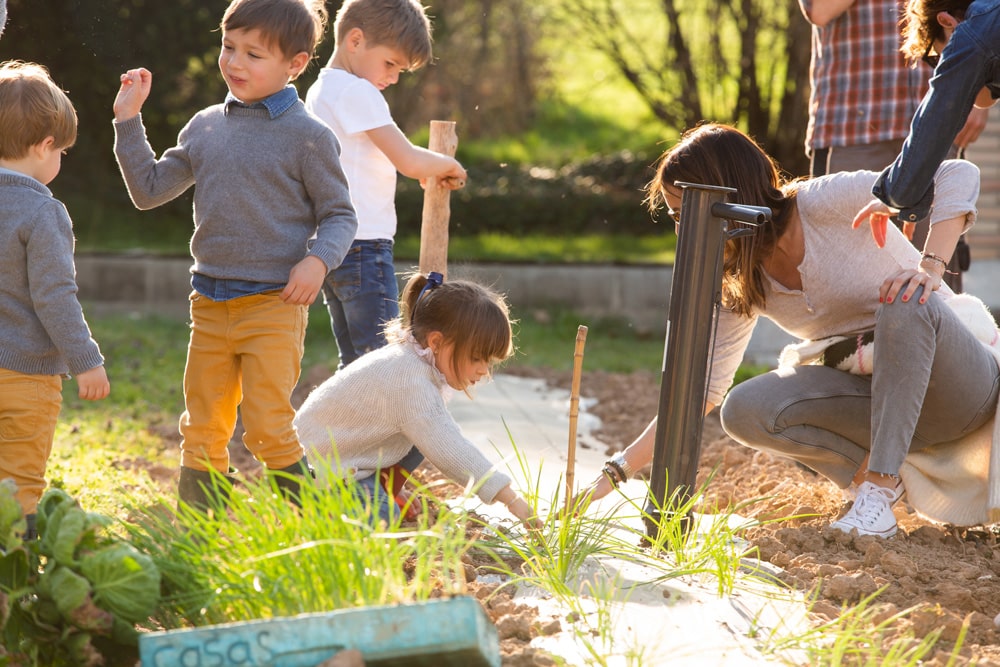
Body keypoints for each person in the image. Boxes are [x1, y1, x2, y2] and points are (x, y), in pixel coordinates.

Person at [577, 123, 1000, 538]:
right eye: (673, 214)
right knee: (744, 409)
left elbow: (955, 173)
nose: (679, 228)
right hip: (884, 405)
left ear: (728, 194)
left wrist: (928, 268)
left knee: (903, 301)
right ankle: (868, 486)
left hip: (961, 390)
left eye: (683, 211)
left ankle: (879, 487)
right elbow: (700, 391)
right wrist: (616, 472)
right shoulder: (740, 278)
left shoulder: (826, 201)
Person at [112, 0, 358, 509]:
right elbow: (149, 190)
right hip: (209, 302)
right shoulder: (205, 126)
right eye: (228, 47)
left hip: (273, 305)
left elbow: (340, 216)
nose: (235, 63)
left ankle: (314, 524)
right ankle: (201, 539)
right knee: (202, 426)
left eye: (254, 54)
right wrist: (128, 122)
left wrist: (317, 261)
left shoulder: (309, 137)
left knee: (268, 427)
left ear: (294, 64)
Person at [294, 272, 538, 528]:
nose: (483, 371)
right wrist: (511, 500)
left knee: (420, 437)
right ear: (436, 342)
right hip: (314, 475)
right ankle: (320, 515)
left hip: (342, 462)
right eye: (476, 358)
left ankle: (380, 491)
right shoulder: (409, 382)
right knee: (382, 517)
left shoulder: (409, 360)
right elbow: (451, 449)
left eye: (488, 362)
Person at [304, 0, 467, 370]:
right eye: (390, 63)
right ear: (355, 41)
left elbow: (360, 160)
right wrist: (447, 164)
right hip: (364, 244)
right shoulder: (358, 92)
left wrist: (428, 169)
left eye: (400, 70)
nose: (393, 77)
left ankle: (352, 427)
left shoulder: (321, 90)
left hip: (331, 245)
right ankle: (382, 428)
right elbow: (406, 158)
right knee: (381, 364)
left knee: (356, 362)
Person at [0, 61, 110, 538]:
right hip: (26, 374)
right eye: (62, 150)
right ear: (44, 146)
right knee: (20, 482)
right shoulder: (44, 211)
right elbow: (54, 296)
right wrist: (85, 360)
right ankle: (14, 575)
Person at [869, 0, 1000, 229]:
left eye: (940, 59)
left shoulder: (973, 31)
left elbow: (936, 122)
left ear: (946, 21)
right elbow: (983, 99)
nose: (944, 65)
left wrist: (896, 194)